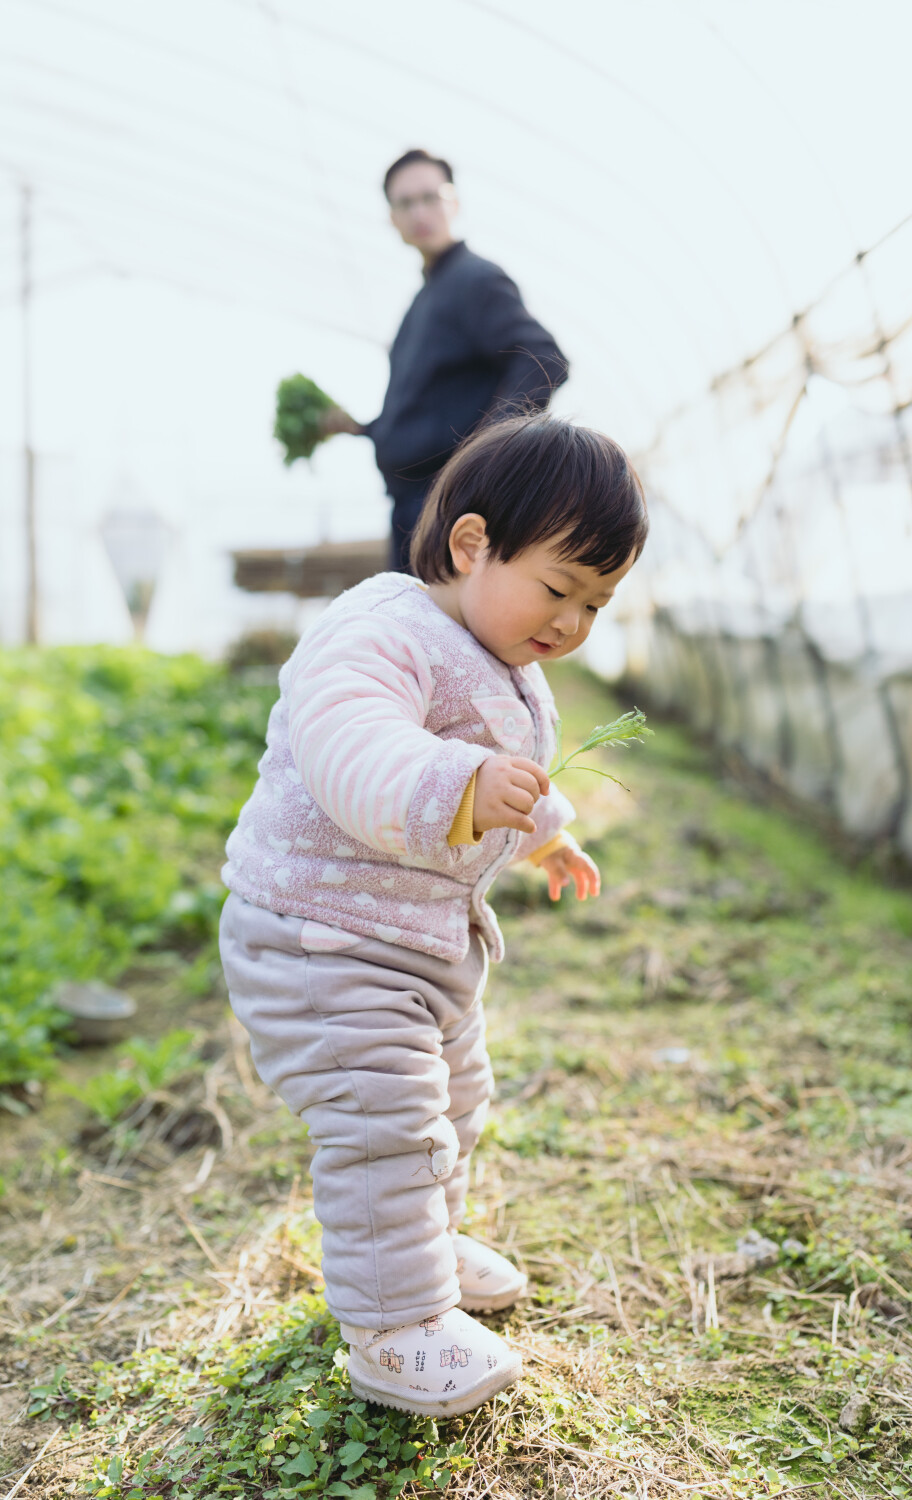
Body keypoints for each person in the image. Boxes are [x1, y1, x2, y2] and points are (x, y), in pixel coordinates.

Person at [219, 414, 647, 1417]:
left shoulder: (500, 659)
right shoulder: (381, 630)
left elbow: (509, 766)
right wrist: (459, 780)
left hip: (413, 940)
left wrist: (545, 835)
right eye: (558, 587)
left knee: (454, 1099)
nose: (573, 622)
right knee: (387, 1121)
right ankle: (393, 1327)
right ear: (470, 544)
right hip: (320, 936)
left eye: (597, 603)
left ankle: (418, 1246)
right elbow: (354, 746)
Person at [320, 149, 569, 572]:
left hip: (444, 507)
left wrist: (484, 460)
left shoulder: (474, 279)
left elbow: (544, 360)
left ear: (453, 203)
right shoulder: (426, 297)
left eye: (430, 197)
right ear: (392, 218)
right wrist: (364, 428)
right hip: (413, 508)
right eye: (404, 203)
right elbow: (432, 410)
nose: (419, 211)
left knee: (432, 637)